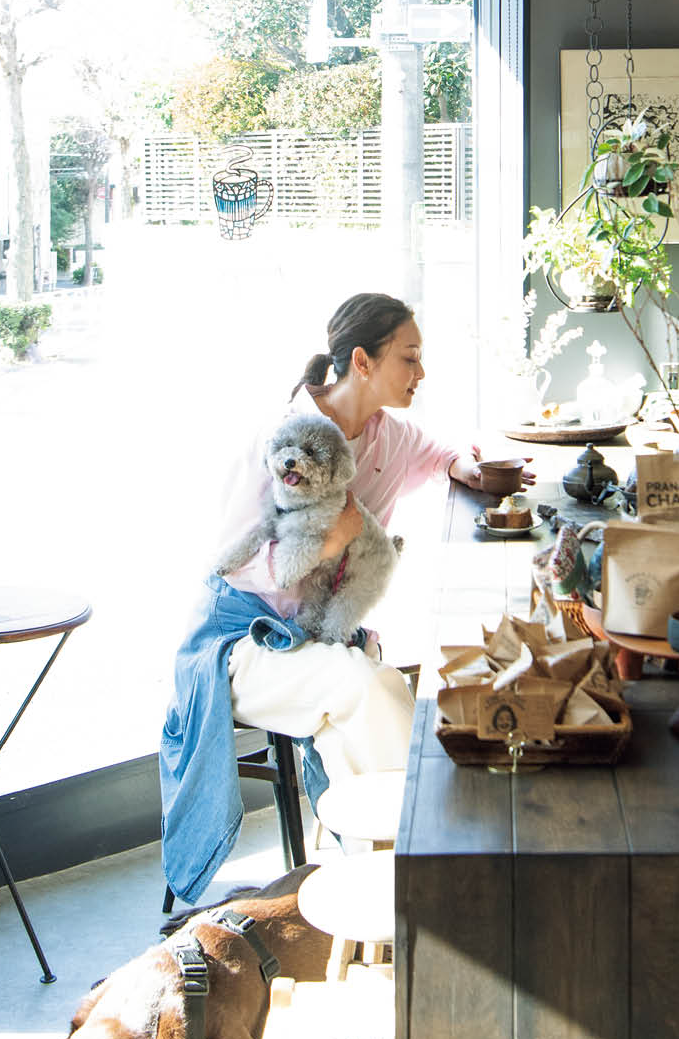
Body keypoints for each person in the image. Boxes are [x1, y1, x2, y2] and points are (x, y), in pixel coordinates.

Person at [160, 292, 489, 904]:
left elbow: (435, 453)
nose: (421, 373)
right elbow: (234, 558)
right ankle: (435, 868)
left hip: (312, 641)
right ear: (361, 362)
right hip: (239, 643)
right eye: (409, 359)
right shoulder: (284, 439)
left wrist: (463, 466)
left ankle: (384, 885)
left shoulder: (384, 434)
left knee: (356, 720)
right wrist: (324, 544)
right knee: (369, 688)